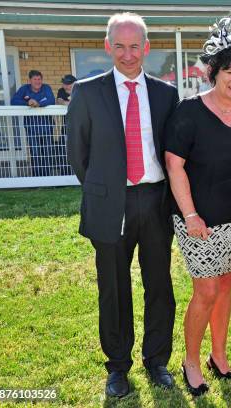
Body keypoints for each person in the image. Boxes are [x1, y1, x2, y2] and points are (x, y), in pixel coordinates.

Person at [66, 12, 178, 398]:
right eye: (120, 46)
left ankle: (157, 360)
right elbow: (78, 153)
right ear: (107, 46)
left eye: (135, 46)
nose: (128, 54)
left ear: (146, 47)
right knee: (113, 288)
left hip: (155, 200)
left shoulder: (166, 94)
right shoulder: (87, 91)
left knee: (159, 284)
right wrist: (105, 188)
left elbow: (170, 149)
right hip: (110, 202)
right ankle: (117, 367)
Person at [164, 16, 231, 397]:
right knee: (205, 290)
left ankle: (218, 355)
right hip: (196, 220)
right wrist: (190, 214)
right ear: (213, 72)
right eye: (228, 71)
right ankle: (190, 359)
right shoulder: (189, 112)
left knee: (224, 286)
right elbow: (175, 165)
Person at [11, 70, 55, 177]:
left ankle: (48, 178)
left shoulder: (46, 88)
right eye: (35, 79)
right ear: (30, 80)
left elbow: (51, 100)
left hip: (47, 127)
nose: (37, 81)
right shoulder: (24, 89)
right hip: (31, 127)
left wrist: (38, 103)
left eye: (39, 79)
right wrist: (28, 102)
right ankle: (37, 178)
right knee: (35, 153)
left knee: (48, 152)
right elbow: (14, 101)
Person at [55, 74, 77, 175]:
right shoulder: (61, 91)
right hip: (67, 126)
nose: (66, 86)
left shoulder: (80, 89)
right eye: (65, 84)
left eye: (69, 84)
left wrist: (68, 102)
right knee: (63, 149)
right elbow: (59, 101)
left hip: (81, 126)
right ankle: (65, 173)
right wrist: (68, 102)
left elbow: (79, 102)